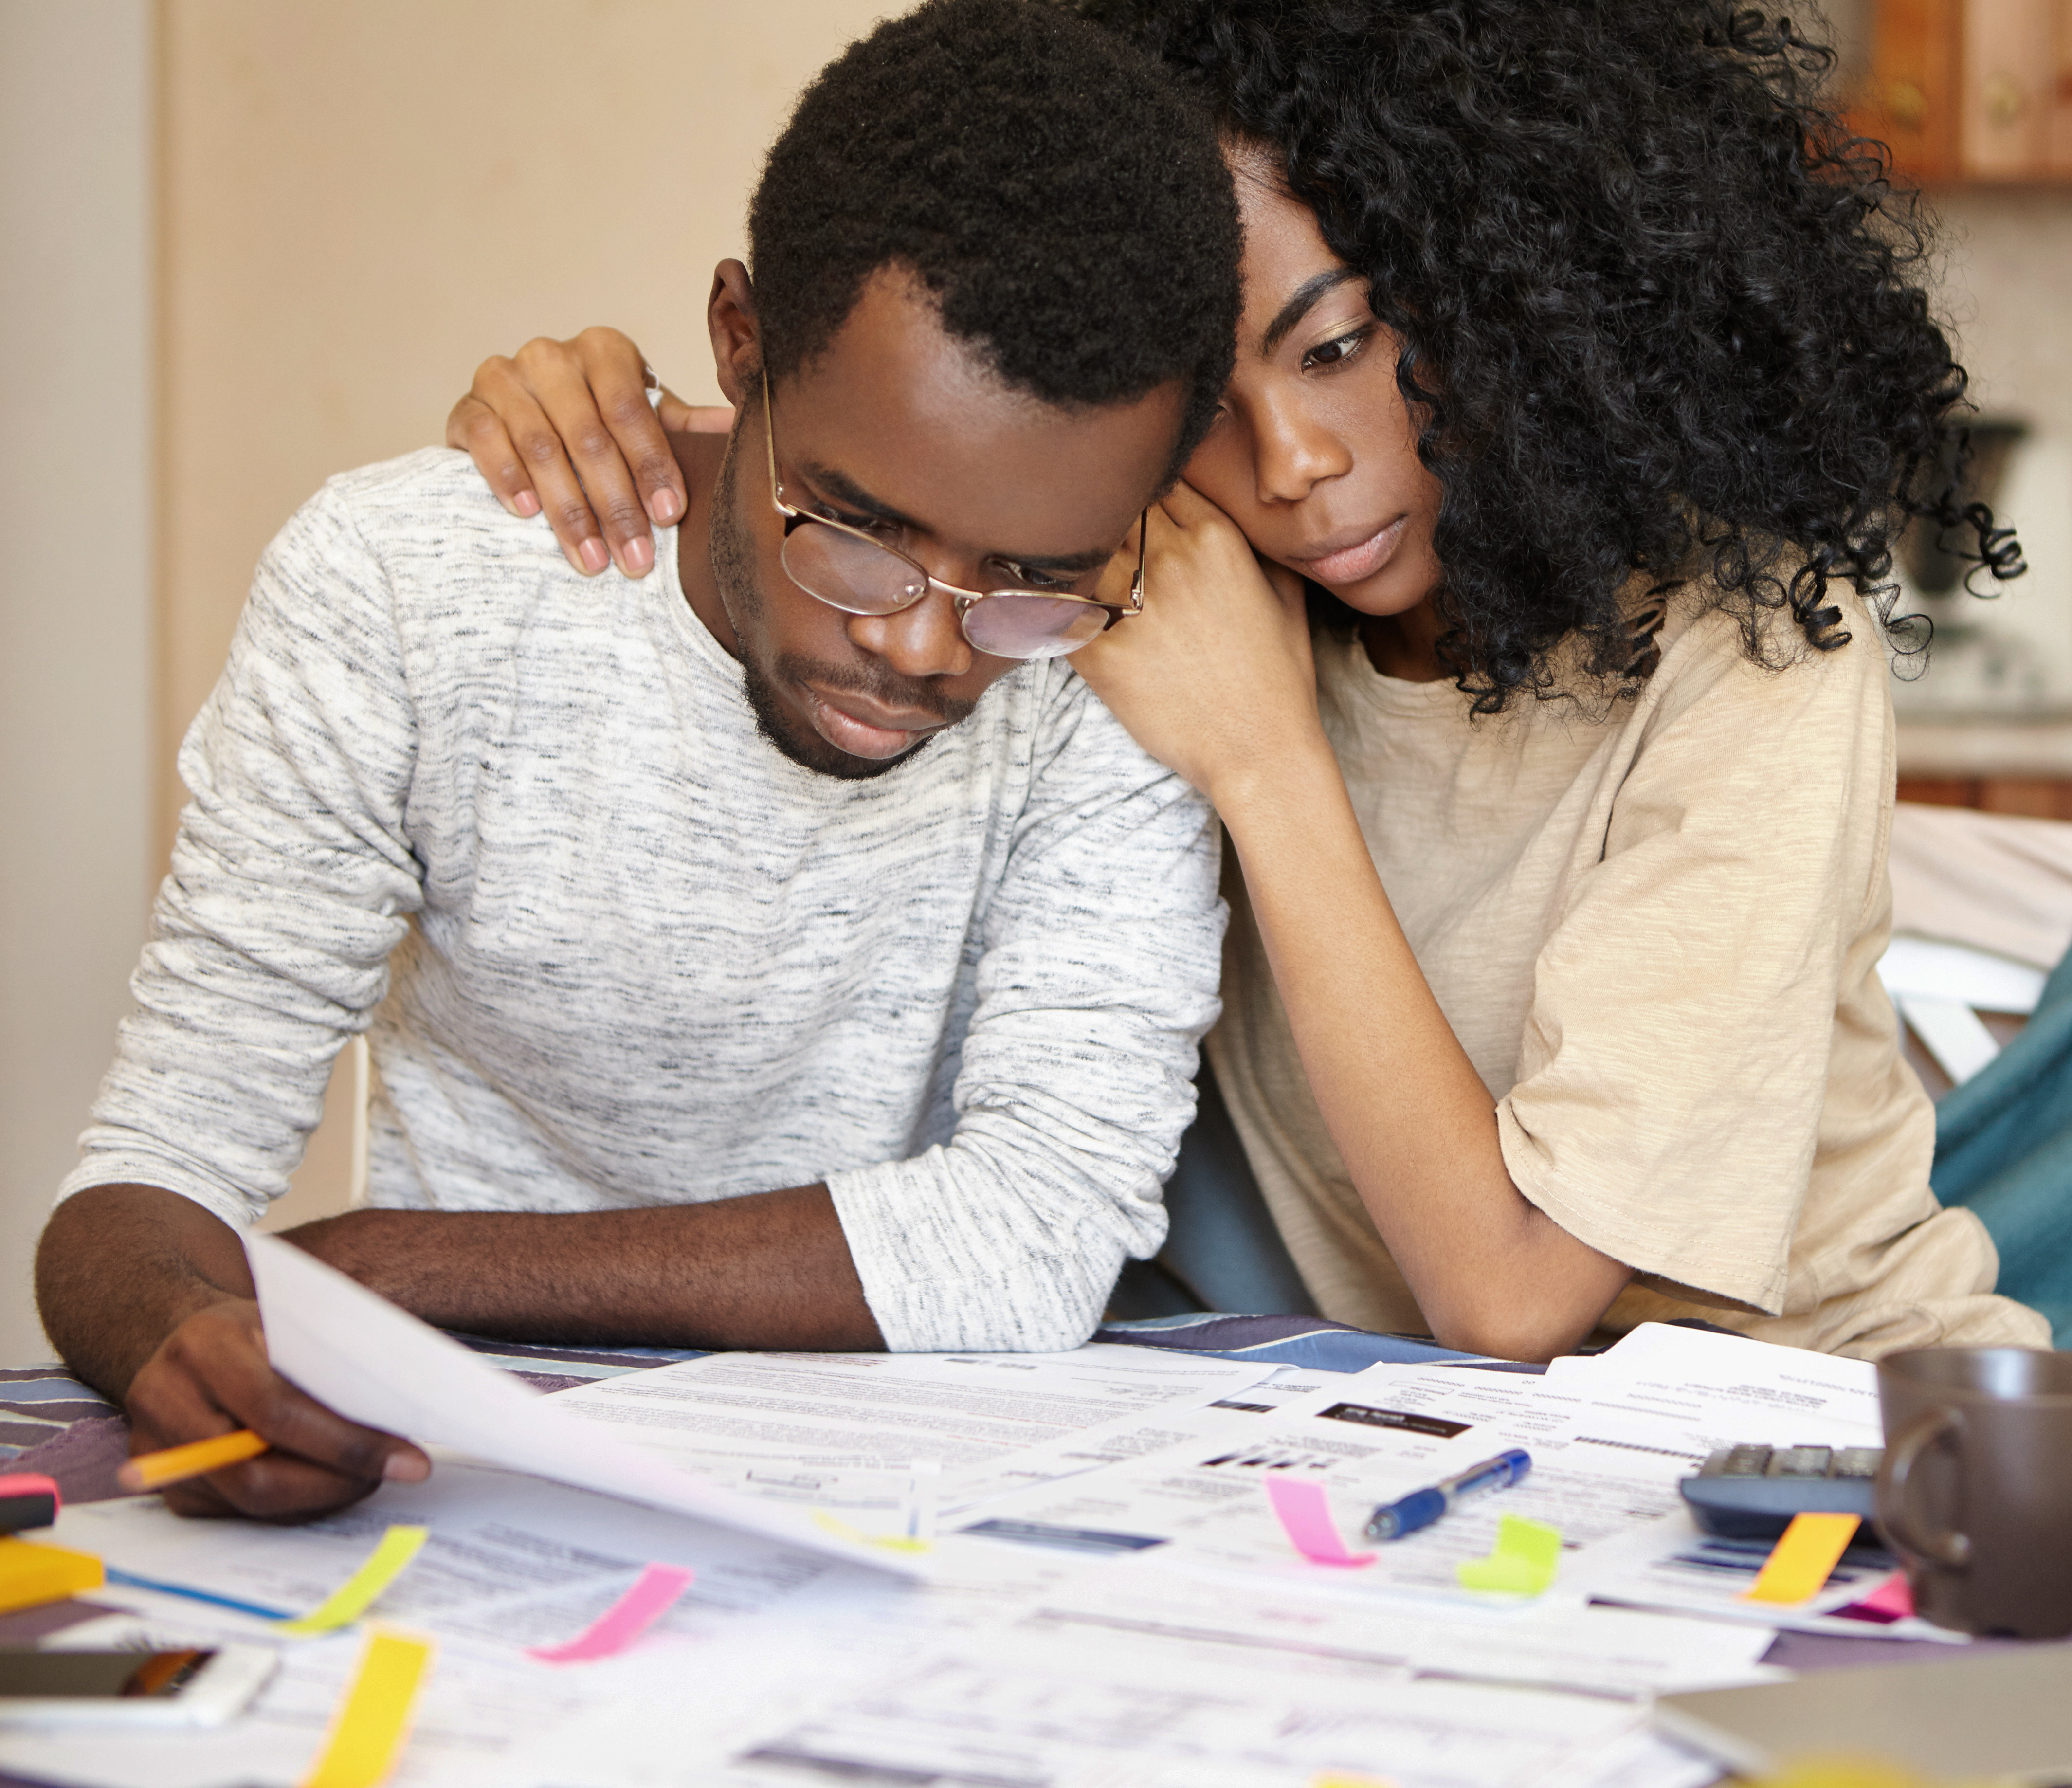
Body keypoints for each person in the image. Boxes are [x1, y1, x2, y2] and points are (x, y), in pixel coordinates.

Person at [447, 0, 2053, 1364]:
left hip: (1840, 1439)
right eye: (1205, 402)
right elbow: (862, 486)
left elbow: (1515, 1297)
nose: (1293, 465)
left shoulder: (1748, 647)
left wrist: (1268, 761)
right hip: (1397, 1460)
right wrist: (592, 414)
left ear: (1514, 287)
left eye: (1343, 347)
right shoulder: (1136, 575)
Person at [36, 0, 1246, 1523]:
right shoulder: (406, 587)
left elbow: (1036, 1233)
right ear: (739, 344)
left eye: (1032, 573)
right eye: (858, 531)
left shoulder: (1120, 666)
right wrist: (180, 1328)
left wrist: (383, 1265)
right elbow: (147, 1174)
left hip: (921, 1509)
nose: (931, 652)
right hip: (450, 1475)